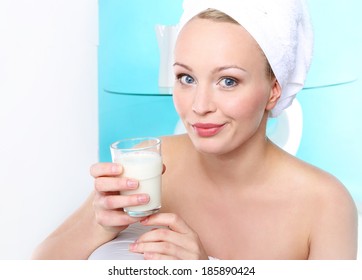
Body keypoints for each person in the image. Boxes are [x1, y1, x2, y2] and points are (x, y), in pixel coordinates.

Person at [32, 0, 358, 260]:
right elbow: (39, 266)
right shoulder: (147, 161)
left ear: (274, 89)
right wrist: (98, 224)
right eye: (186, 78)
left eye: (228, 81)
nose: (199, 105)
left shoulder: (324, 205)